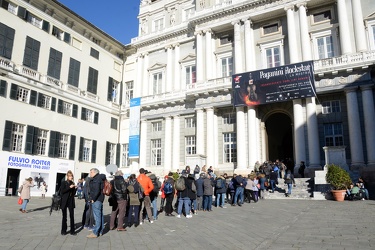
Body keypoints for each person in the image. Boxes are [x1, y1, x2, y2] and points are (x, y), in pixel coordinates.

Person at [87, 168, 106, 239]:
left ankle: (95, 232)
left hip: (96, 200)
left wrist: (93, 199)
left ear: (95, 172)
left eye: (91, 172)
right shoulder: (99, 178)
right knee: (100, 216)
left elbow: (96, 190)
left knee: (97, 216)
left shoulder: (97, 179)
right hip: (100, 199)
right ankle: (100, 231)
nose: (90, 174)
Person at [60, 170, 77, 235]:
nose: (71, 177)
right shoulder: (63, 182)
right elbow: (62, 191)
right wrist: (69, 187)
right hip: (64, 201)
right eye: (70, 176)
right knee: (64, 216)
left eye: (72, 176)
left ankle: (72, 231)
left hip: (71, 200)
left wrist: (75, 188)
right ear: (67, 176)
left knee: (72, 216)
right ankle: (63, 230)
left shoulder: (72, 183)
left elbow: (73, 193)